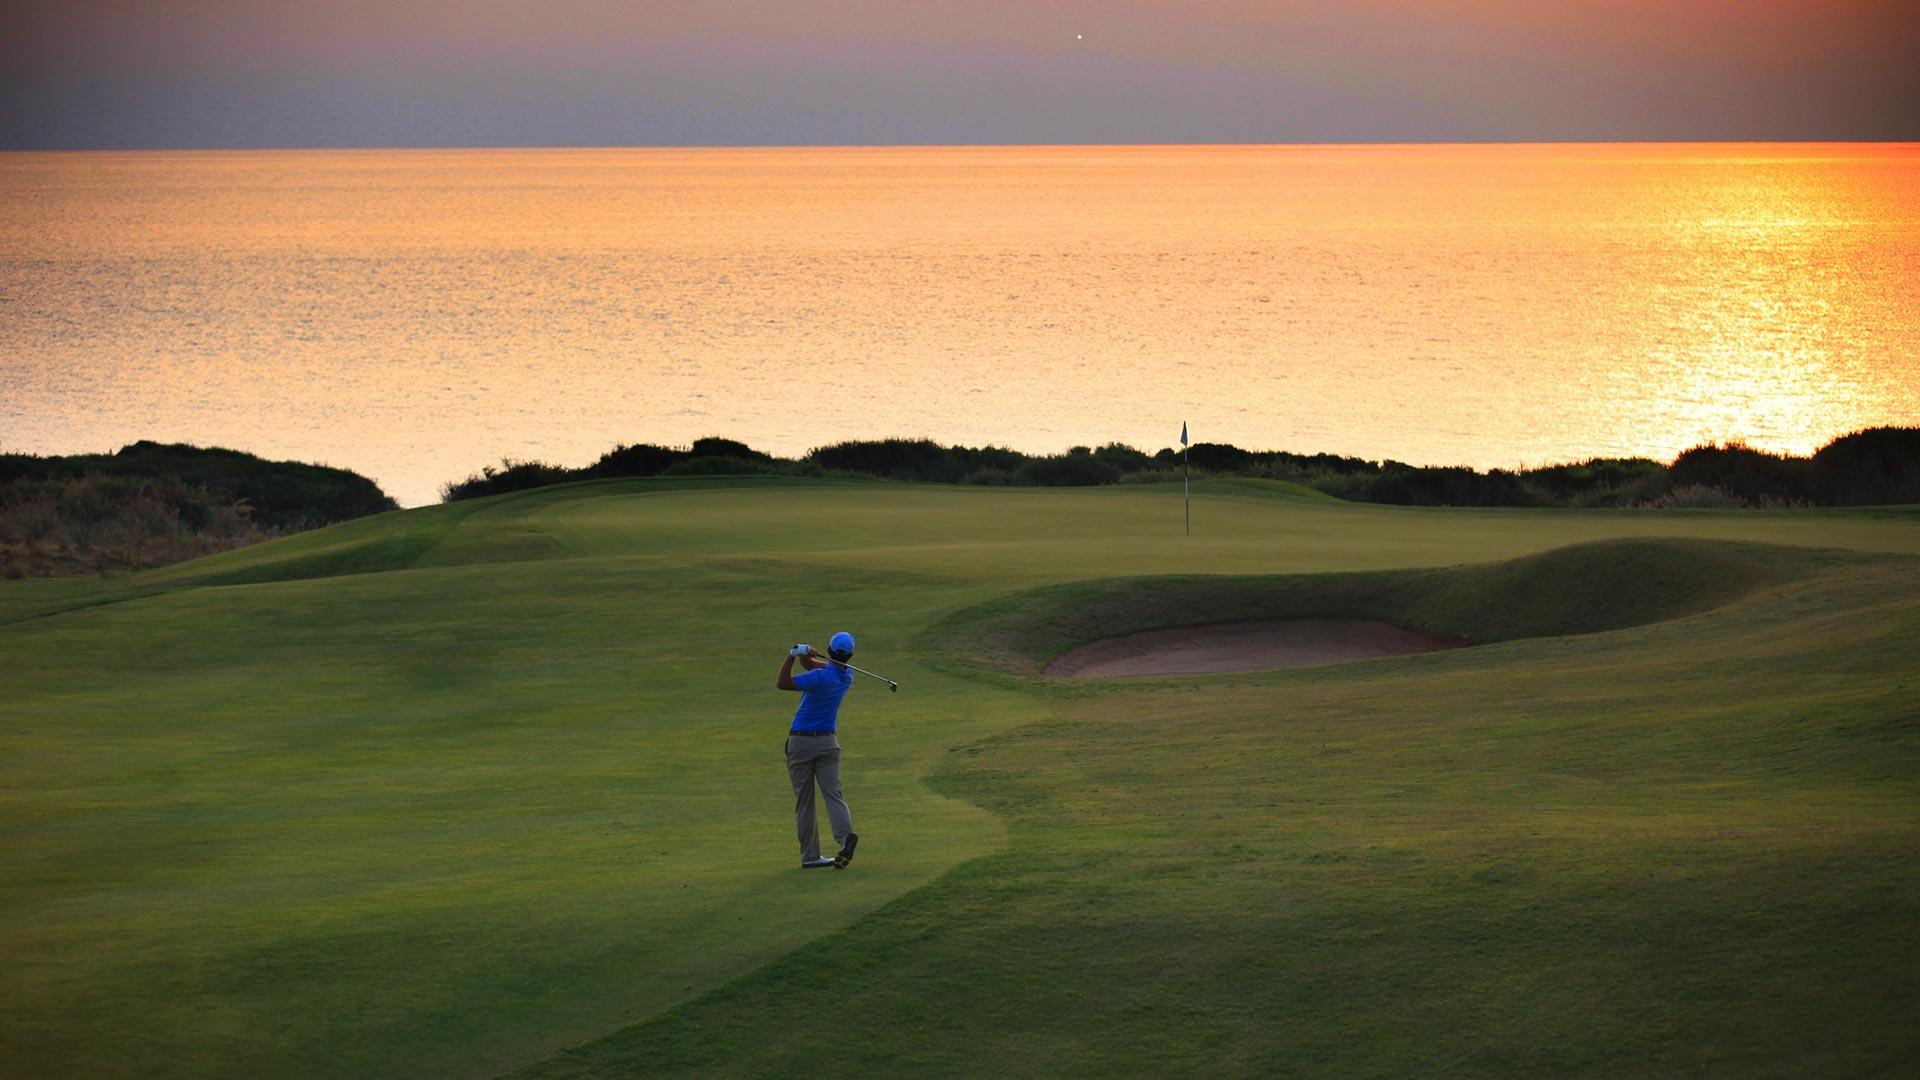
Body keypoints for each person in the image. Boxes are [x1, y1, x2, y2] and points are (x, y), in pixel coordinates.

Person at [776, 631, 861, 870]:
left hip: (801, 742)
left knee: (805, 801)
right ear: (850, 656)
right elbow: (820, 667)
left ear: (830, 650)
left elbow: (782, 683)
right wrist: (808, 657)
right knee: (834, 794)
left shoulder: (819, 678)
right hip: (828, 744)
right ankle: (845, 838)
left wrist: (791, 656)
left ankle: (811, 856)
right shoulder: (847, 676)